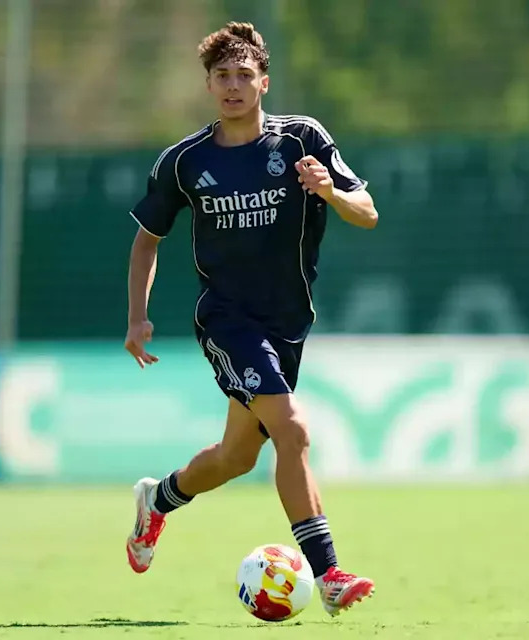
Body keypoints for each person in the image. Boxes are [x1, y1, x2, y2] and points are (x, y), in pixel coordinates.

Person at [123, 21, 378, 617]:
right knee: (293, 430)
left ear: (264, 81)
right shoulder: (184, 161)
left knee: (237, 457)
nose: (233, 86)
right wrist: (137, 318)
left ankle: (157, 501)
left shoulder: (303, 140)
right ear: (209, 85)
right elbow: (146, 241)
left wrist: (330, 192)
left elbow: (366, 212)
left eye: (244, 75)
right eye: (222, 76)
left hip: (288, 322)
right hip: (227, 319)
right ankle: (329, 574)